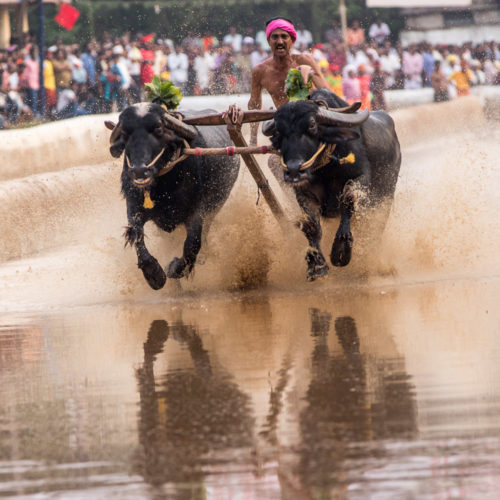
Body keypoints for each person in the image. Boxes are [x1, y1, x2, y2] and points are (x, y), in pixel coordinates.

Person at [248, 17, 329, 145]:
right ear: (269, 41)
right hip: (285, 126)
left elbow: (326, 92)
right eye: (275, 37)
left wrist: (306, 73)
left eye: (284, 36)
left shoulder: (304, 61)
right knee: (274, 164)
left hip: (311, 123)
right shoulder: (260, 71)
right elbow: (254, 105)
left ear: (292, 41)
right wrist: (253, 139)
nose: (280, 41)